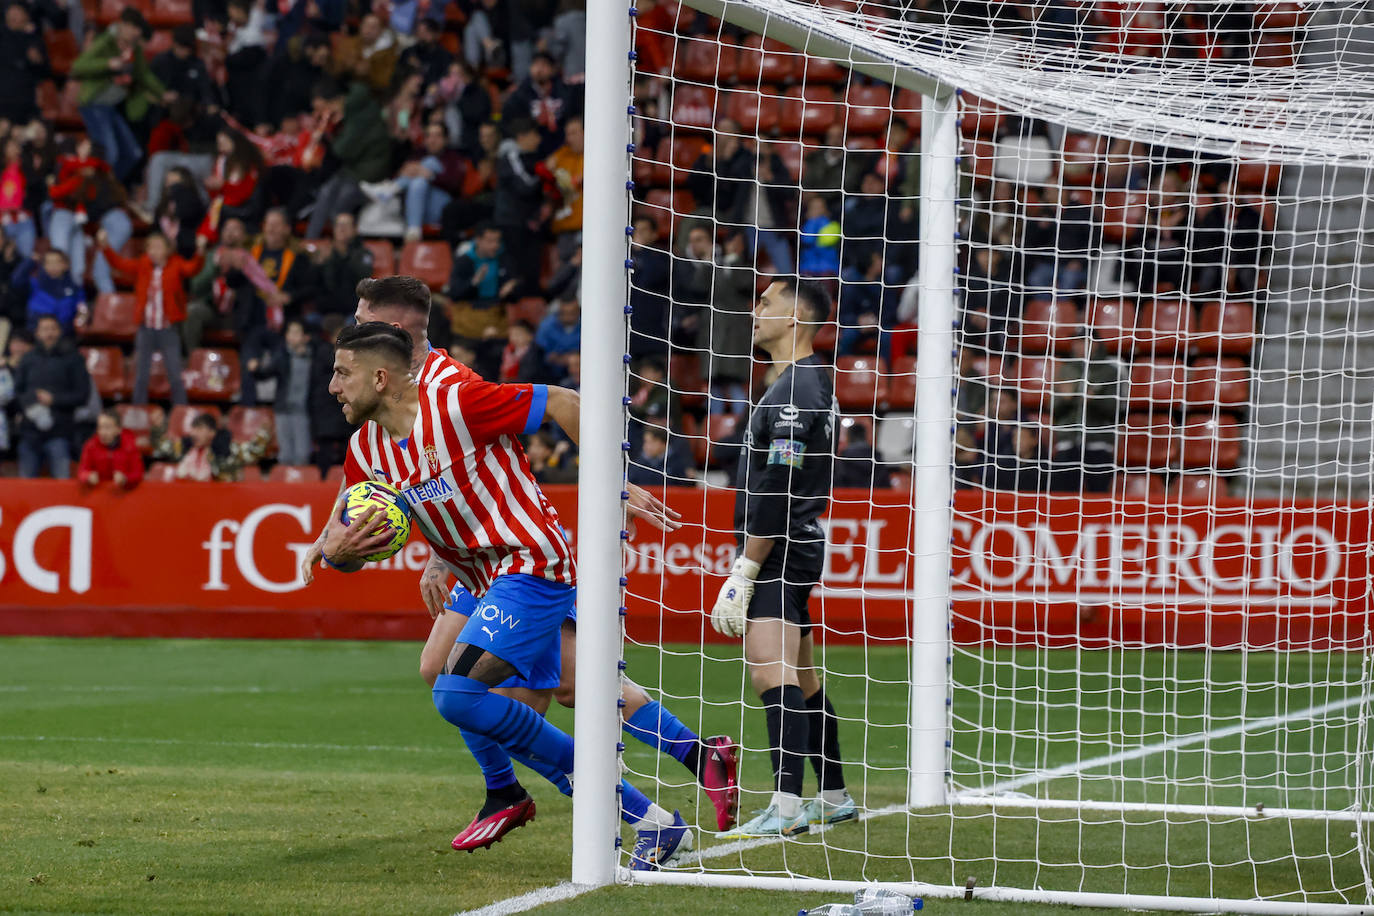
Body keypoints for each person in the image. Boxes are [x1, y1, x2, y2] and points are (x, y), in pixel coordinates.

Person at [298, 277, 738, 846]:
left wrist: (614, 481)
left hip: (529, 559)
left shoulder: (453, 392)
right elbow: (361, 524)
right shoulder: (367, 443)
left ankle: (577, 794)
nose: (332, 384)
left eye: (342, 368)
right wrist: (334, 551)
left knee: (472, 692)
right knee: (533, 685)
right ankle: (662, 788)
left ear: (385, 362)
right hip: (480, 572)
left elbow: (561, 402)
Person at [712, 278, 857, 839]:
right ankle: (835, 795)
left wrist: (746, 567)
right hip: (796, 544)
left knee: (771, 671)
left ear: (797, 316)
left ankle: (786, 805)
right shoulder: (799, 383)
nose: (756, 311)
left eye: (766, 303)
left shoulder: (797, 390)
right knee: (800, 673)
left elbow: (779, 484)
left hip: (782, 546)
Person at [99, 229, 205, 405]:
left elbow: (193, 268)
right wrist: (105, 247)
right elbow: (120, 264)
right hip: (145, 328)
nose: (154, 251)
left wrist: (200, 252)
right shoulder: (143, 264)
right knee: (141, 374)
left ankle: (180, 410)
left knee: (175, 374)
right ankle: (138, 411)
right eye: (150, 247)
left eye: (158, 247)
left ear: (167, 249)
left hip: (168, 328)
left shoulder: (176, 264)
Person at [69, 7, 164, 182]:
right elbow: (78, 67)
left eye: (138, 29)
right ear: (123, 26)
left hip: (112, 108)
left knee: (133, 153)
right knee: (110, 153)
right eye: (133, 28)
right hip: (94, 105)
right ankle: (99, 193)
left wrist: (163, 94)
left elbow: (144, 75)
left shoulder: (135, 49)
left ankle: (109, 189)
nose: (136, 33)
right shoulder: (106, 42)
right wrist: (108, 64)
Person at [14, 314, 90, 478]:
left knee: (61, 486)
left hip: (60, 434)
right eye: (44, 329)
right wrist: (30, 401)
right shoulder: (28, 359)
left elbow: (83, 395)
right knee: (26, 488)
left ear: (59, 331)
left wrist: (54, 399)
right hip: (29, 433)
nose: (49, 333)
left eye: (53, 329)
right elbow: (17, 392)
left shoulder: (73, 358)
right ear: (37, 333)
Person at [16, 249, 85, 334]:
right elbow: (16, 281)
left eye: (57, 262)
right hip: (35, 334)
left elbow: (82, 310)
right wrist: (30, 262)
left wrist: (82, 318)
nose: (53, 266)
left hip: (64, 334)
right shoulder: (35, 284)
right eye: (48, 263)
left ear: (66, 265)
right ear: (43, 266)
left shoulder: (75, 289)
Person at [78, 407, 143, 488]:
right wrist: (88, 476)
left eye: (107, 427)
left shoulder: (130, 446)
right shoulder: (90, 445)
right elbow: (82, 471)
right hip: (98, 495)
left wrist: (125, 478)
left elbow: (138, 473)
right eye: (100, 427)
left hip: (123, 495)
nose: (102, 432)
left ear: (118, 429)